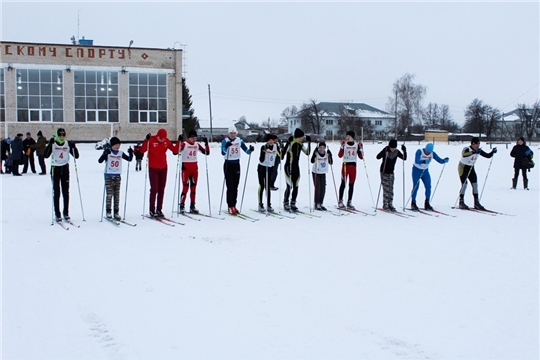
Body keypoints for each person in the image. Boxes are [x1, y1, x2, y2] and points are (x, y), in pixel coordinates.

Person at [140, 128, 179, 218]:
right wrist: (146, 140)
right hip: (153, 167)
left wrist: (179, 141)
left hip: (163, 168)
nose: (162, 140)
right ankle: (152, 209)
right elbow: (142, 150)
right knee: (154, 189)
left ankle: (159, 209)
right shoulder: (152, 140)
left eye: (163, 138)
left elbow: (175, 150)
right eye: (160, 138)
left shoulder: (166, 141)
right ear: (157, 136)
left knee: (161, 189)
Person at [44, 128, 80, 222]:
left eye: (63, 135)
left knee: (66, 192)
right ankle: (57, 213)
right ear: (57, 135)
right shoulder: (54, 143)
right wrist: (49, 144)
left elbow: (76, 156)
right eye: (60, 135)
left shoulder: (67, 144)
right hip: (55, 169)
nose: (62, 137)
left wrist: (74, 147)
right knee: (56, 192)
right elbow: (46, 155)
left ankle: (66, 213)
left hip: (64, 169)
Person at [98, 137, 133, 220]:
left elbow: (129, 159)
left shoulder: (120, 153)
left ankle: (116, 212)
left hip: (117, 175)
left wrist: (131, 153)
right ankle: (108, 211)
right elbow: (100, 161)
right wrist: (104, 154)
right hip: (109, 175)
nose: (117, 146)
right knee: (109, 194)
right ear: (111, 145)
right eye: (116, 145)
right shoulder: (108, 152)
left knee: (117, 195)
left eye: (119, 145)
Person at [221, 126, 254, 214]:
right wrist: (226, 147)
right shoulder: (225, 141)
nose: (232, 135)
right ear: (229, 134)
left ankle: (234, 205)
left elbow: (246, 150)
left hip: (236, 165)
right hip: (228, 164)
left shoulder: (239, 140)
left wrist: (250, 150)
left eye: (234, 133)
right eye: (231, 133)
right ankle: (230, 206)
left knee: (236, 186)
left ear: (236, 133)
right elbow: (223, 152)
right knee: (230, 186)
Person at [457, 137, 497, 210]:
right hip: (463, 168)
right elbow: (464, 154)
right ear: (472, 144)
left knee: (475, 185)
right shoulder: (467, 148)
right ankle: (461, 202)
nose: (477, 146)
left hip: (471, 168)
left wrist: (492, 152)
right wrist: (473, 152)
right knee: (464, 185)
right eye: (476, 144)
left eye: (478, 144)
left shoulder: (478, 150)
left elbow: (487, 156)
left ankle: (476, 202)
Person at [178, 129, 210, 214]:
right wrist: (179, 142)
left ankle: (192, 205)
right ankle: (182, 205)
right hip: (186, 168)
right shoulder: (185, 144)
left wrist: (206, 144)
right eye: (192, 138)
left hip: (194, 168)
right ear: (189, 138)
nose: (194, 139)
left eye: (195, 138)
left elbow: (207, 152)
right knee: (185, 187)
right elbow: (176, 152)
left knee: (193, 187)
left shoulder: (197, 145)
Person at [410, 142, 449, 211]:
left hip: (425, 171)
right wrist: (424, 161)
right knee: (416, 186)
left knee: (428, 187)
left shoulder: (432, 153)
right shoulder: (419, 151)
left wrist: (444, 160)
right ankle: (413, 203)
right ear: (425, 149)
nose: (428, 153)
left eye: (429, 152)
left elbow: (439, 160)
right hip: (416, 170)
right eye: (427, 151)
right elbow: (417, 160)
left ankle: (427, 203)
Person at [282, 128, 311, 211]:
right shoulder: (291, 143)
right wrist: (287, 143)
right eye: (302, 137)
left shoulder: (300, 144)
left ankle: (293, 203)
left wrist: (309, 143)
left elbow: (307, 153)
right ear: (298, 136)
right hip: (288, 166)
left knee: (296, 186)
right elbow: (282, 155)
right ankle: (286, 202)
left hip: (296, 167)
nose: (303, 138)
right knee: (289, 186)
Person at [376, 139, 407, 212]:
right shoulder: (386, 150)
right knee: (386, 189)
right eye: (391, 148)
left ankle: (390, 203)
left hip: (391, 172)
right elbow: (377, 157)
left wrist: (404, 151)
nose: (393, 149)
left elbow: (404, 158)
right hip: (384, 172)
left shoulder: (396, 152)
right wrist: (384, 152)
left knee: (391, 189)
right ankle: (385, 204)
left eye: (394, 148)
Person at [337, 130, 363, 210]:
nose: (347, 137)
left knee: (351, 185)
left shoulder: (356, 145)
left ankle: (349, 201)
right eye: (346, 136)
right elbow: (339, 155)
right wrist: (341, 146)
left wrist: (361, 148)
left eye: (348, 136)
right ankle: (340, 201)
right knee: (343, 184)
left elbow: (361, 157)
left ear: (352, 137)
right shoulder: (344, 144)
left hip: (353, 167)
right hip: (345, 166)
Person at [257, 134, 280, 212]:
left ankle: (269, 204)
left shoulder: (276, 146)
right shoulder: (263, 147)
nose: (271, 141)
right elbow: (261, 160)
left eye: (272, 140)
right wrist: (264, 152)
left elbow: (280, 155)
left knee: (268, 187)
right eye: (269, 140)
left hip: (269, 168)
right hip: (262, 168)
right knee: (262, 185)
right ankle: (260, 204)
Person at [311, 141, 333, 211]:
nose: (322, 149)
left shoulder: (326, 154)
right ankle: (316, 203)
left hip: (323, 172)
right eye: (320, 147)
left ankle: (321, 203)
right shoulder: (316, 153)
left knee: (323, 188)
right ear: (318, 147)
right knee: (318, 188)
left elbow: (331, 162)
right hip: (316, 172)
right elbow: (312, 161)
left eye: (323, 147)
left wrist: (330, 156)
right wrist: (314, 155)